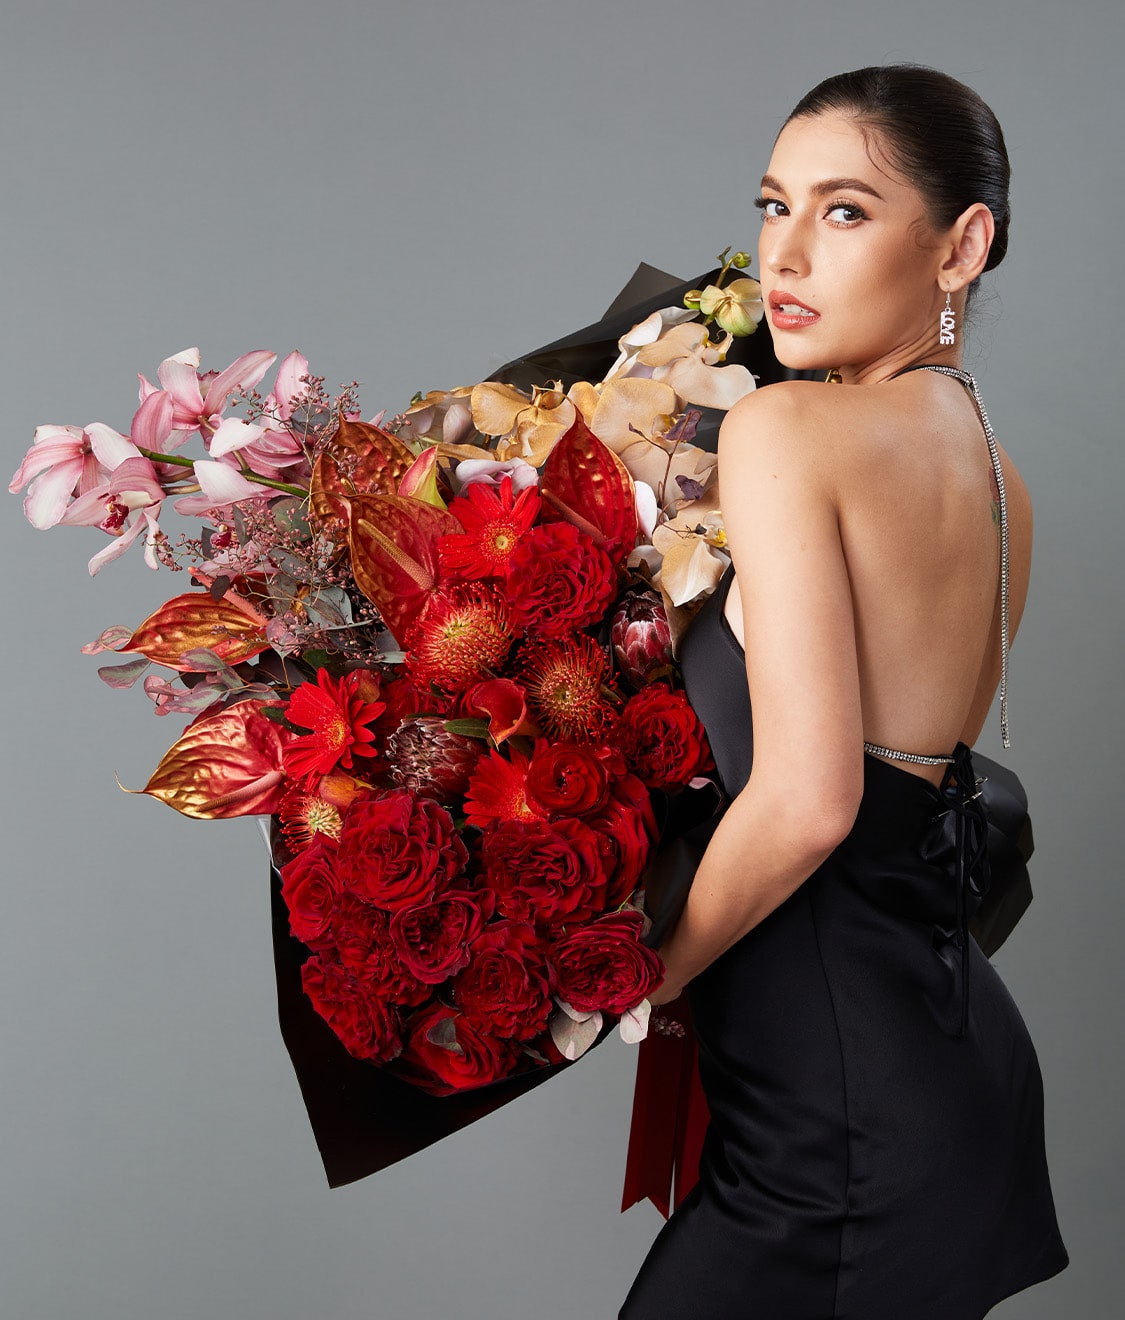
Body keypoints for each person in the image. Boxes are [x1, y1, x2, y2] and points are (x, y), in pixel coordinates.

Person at [620, 65, 1070, 1319]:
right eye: (775, 206)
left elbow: (814, 801)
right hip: (943, 1068)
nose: (788, 253)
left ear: (962, 243)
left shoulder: (781, 431)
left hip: (841, 1128)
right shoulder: (999, 480)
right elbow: (907, 792)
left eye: (847, 211)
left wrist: (635, 978)